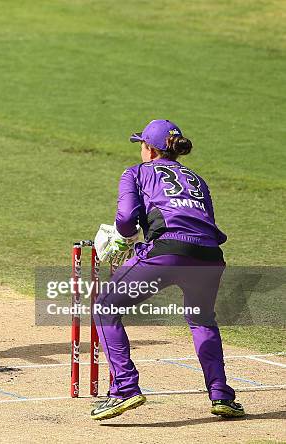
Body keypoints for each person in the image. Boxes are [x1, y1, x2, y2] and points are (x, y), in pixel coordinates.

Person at [90, 119, 244, 420]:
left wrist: (126, 238)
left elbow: (125, 218)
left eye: (141, 146)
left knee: (106, 307)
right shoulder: (197, 179)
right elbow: (203, 221)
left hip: (167, 253)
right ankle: (221, 396)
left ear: (149, 149)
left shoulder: (135, 172)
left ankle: (124, 389)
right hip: (209, 255)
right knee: (202, 321)